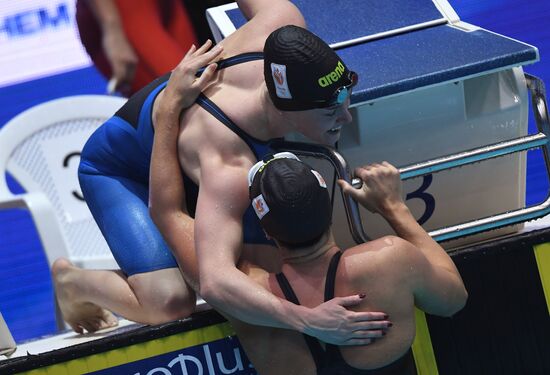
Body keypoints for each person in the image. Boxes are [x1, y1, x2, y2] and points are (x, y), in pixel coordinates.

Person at [54, 0, 389, 343]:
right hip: (122, 170)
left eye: (345, 96)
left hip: (197, 154)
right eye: (330, 111)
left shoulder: (282, 25)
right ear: (288, 109)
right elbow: (216, 282)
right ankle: (73, 282)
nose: (346, 117)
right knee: (169, 302)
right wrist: (307, 321)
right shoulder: (227, 163)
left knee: (277, 268)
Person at [222, 154, 468, 374]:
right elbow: (453, 300)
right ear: (329, 210)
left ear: (266, 231)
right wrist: (393, 207)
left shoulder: (246, 298)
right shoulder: (390, 261)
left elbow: (183, 219)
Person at [76, 0, 198, 96]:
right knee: (188, 90)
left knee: (206, 82)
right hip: (122, 11)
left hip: (168, 5)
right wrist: (112, 28)